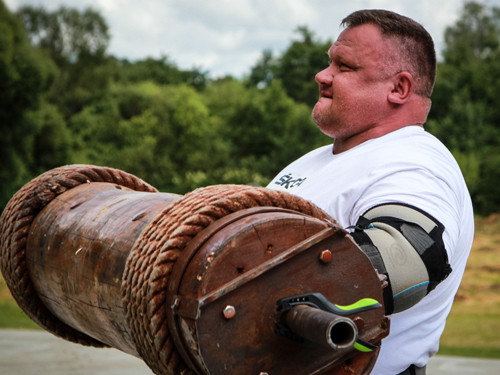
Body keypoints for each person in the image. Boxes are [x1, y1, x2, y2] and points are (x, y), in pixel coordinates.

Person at [267, 9, 474, 375]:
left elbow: (407, 258)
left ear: (399, 88)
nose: (322, 75)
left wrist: (245, 284)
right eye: (328, 62)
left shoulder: (414, 160)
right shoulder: (315, 160)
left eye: (343, 67)